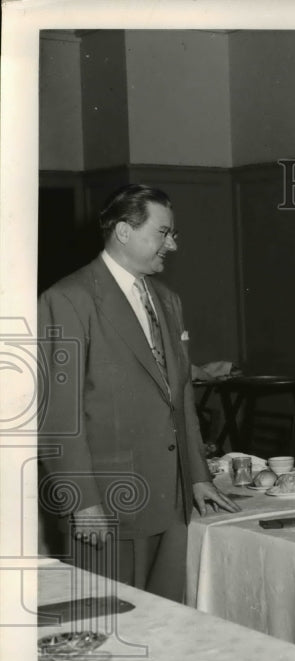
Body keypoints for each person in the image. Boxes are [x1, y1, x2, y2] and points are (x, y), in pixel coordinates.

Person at [37, 184, 238, 602]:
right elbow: (58, 416)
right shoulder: (67, 299)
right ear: (124, 231)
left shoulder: (167, 299)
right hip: (106, 506)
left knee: (166, 626)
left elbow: (178, 394)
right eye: (163, 233)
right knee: (109, 631)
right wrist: (82, 502)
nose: (174, 244)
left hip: (173, 501)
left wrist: (198, 476)